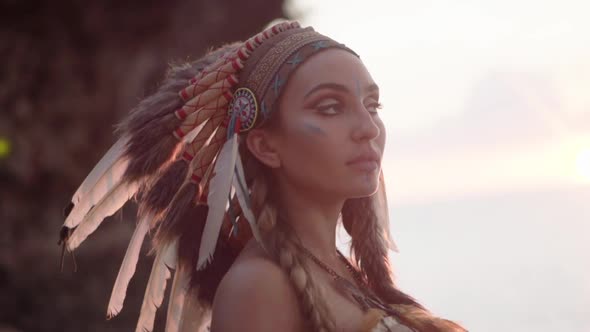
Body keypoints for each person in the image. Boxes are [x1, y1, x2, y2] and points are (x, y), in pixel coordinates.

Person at [59, 21, 467, 332]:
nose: (368, 128)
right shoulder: (258, 287)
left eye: (372, 105)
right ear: (265, 145)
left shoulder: (336, 267)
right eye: (329, 107)